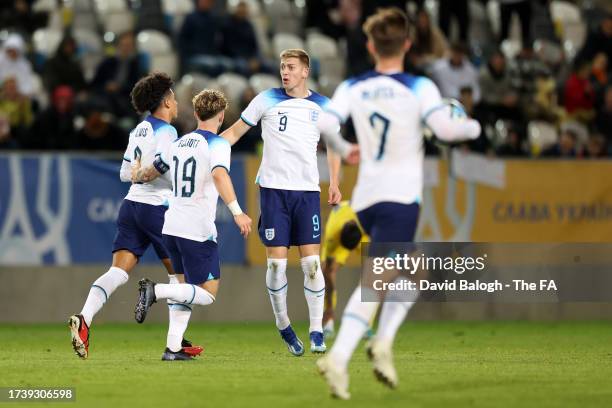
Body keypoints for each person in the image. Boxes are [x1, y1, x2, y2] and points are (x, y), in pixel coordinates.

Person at [315, 7, 481, 399]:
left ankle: (383, 344)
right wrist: (470, 124)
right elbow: (445, 129)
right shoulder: (419, 87)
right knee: (378, 281)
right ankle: (338, 359)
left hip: (367, 199)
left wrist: (344, 147)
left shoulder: (354, 86)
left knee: (414, 271)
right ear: (407, 44)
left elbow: (324, 123)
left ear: (371, 45)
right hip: (400, 199)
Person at [220, 48, 348, 357]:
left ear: (305, 71)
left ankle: (317, 331)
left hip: (306, 193)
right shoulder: (266, 99)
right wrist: (204, 145)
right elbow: (236, 132)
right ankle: (284, 325)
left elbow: (333, 147)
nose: (285, 72)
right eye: (282, 67)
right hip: (274, 192)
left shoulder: (323, 106)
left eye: (291, 67)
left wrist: (334, 182)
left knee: (312, 266)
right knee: (277, 267)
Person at [68, 72, 201, 359]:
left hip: (131, 207)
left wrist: (140, 173)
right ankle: (174, 344)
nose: (176, 102)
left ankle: (85, 319)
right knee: (182, 277)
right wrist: (156, 172)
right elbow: (164, 163)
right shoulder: (167, 131)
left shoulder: (139, 130)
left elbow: (124, 173)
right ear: (165, 101)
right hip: (158, 209)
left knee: (117, 271)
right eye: (174, 97)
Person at [131, 89, 252, 361]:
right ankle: (156, 291)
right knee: (208, 293)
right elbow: (219, 175)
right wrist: (237, 212)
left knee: (184, 288)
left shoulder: (179, 143)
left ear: (196, 114)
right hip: (196, 228)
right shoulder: (217, 146)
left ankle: (173, 348)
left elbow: (150, 172)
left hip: (171, 225)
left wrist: (136, 173)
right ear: (221, 117)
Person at [320, 201, 368, 339]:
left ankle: (365, 323)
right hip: (340, 239)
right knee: (328, 273)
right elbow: (327, 271)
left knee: (372, 272)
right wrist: (329, 306)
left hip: (361, 233)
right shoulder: (332, 233)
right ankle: (329, 320)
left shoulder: (364, 217)